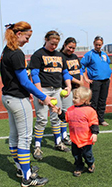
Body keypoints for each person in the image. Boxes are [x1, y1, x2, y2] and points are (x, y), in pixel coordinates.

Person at [0, 21, 53, 187]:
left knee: (15, 136)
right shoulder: (16, 53)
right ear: (18, 34)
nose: (28, 41)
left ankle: (20, 168)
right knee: (24, 139)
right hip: (18, 99)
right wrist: (43, 96)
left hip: (8, 97)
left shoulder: (7, 50)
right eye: (27, 37)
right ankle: (27, 178)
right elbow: (25, 81)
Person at [29, 30, 72, 160]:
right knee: (42, 119)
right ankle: (37, 146)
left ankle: (58, 142)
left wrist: (69, 85)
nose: (54, 46)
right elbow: (34, 74)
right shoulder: (38, 54)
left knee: (56, 117)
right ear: (46, 40)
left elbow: (65, 72)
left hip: (57, 90)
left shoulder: (60, 55)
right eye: (52, 43)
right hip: (43, 90)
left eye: (56, 44)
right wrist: (40, 93)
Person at [52, 86, 99, 177]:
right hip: (74, 139)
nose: (73, 99)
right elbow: (66, 119)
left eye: (76, 98)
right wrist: (60, 113)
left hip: (86, 140)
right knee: (76, 155)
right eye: (73, 97)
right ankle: (79, 167)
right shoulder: (71, 109)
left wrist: (94, 133)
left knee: (87, 155)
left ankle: (90, 163)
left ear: (84, 100)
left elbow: (94, 123)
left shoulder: (90, 111)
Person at [81, 36, 112, 126]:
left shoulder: (104, 54)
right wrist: (86, 78)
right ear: (94, 44)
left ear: (102, 44)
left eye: (100, 44)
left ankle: (101, 119)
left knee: (103, 100)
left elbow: (107, 64)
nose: (98, 46)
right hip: (95, 81)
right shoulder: (89, 55)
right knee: (94, 101)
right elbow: (81, 66)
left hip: (105, 81)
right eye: (97, 44)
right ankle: (93, 120)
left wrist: (108, 75)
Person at [59, 37, 84, 145]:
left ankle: (71, 133)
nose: (71, 50)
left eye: (73, 48)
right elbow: (64, 73)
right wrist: (77, 82)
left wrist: (81, 81)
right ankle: (63, 135)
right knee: (66, 112)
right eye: (70, 47)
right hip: (66, 88)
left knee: (76, 112)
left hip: (77, 87)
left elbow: (80, 70)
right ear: (64, 44)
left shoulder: (74, 56)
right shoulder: (60, 56)